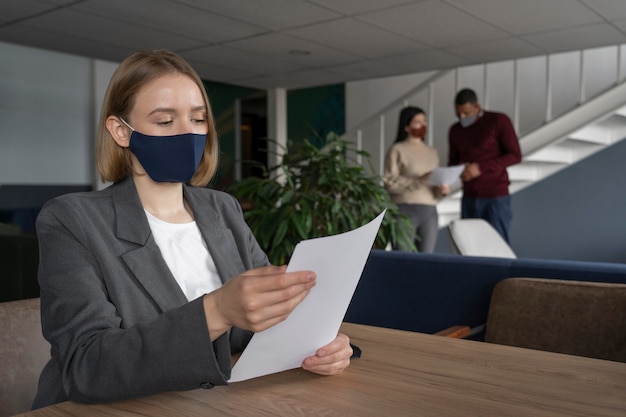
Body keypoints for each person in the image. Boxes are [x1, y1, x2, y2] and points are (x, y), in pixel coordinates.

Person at [32, 49, 352, 409]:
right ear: (122, 131)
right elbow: (87, 366)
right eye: (165, 122)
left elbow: (267, 321)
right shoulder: (70, 220)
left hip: (214, 402)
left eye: (198, 120)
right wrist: (217, 311)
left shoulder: (223, 209)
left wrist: (319, 344)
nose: (188, 134)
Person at [448, 88, 522, 243]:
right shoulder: (455, 130)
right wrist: (460, 168)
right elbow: (452, 162)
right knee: (469, 246)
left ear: (477, 107)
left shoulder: (498, 121)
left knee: (497, 245)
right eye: (458, 113)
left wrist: (480, 167)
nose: (462, 117)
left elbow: (515, 155)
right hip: (469, 197)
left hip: (495, 197)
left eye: (466, 113)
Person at [383, 106, 449, 253]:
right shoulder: (397, 149)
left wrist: (442, 190)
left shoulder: (432, 152)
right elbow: (389, 182)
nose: (422, 125)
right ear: (406, 126)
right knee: (402, 256)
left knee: (427, 258)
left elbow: (435, 184)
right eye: (417, 122)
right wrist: (418, 180)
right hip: (404, 208)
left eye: (424, 121)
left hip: (429, 210)